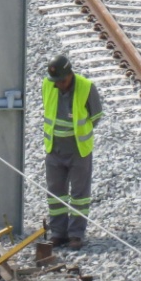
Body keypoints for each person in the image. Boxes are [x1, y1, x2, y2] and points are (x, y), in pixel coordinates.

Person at [42, 55, 103, 250]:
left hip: (78, 150)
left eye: (62, 80)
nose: (59, 84)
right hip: (54, 148)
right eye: (56, 81)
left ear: (70, 75)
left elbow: (96, 116)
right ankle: (58, 233)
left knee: (79, 195)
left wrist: (79, 132)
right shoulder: (48, 85)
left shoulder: (86, 87)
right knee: (55, 193)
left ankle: (76, 234)